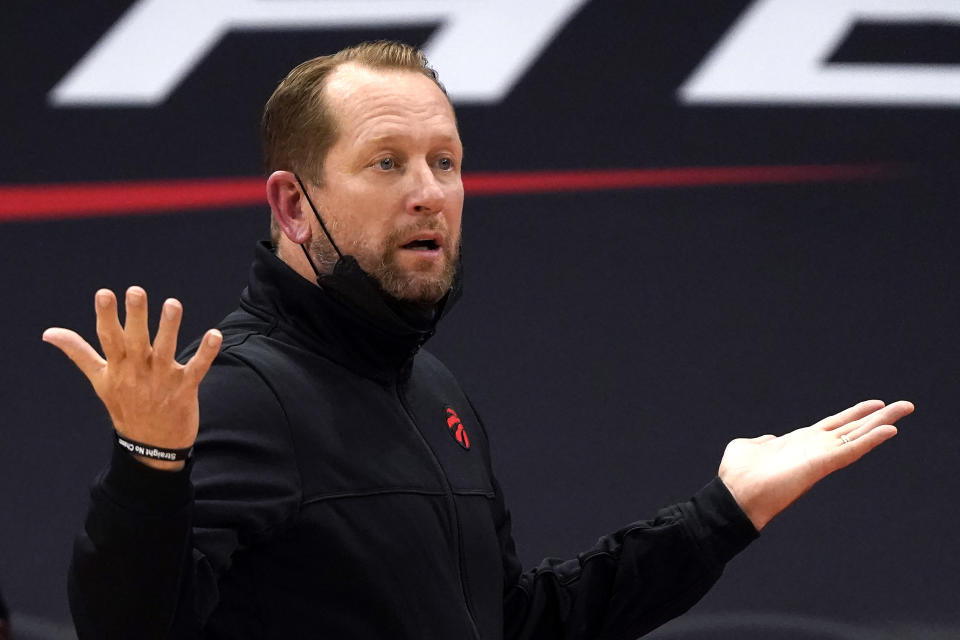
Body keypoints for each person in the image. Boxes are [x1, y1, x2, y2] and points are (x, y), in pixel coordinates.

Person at [44, 41, 914, 639]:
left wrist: (721, 515)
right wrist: (147, 465)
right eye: (388, 162)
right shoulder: (243, 392)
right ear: (292, 205)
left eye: (446, 162)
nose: (430, 193)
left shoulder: (434, 392)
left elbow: (517, 624)